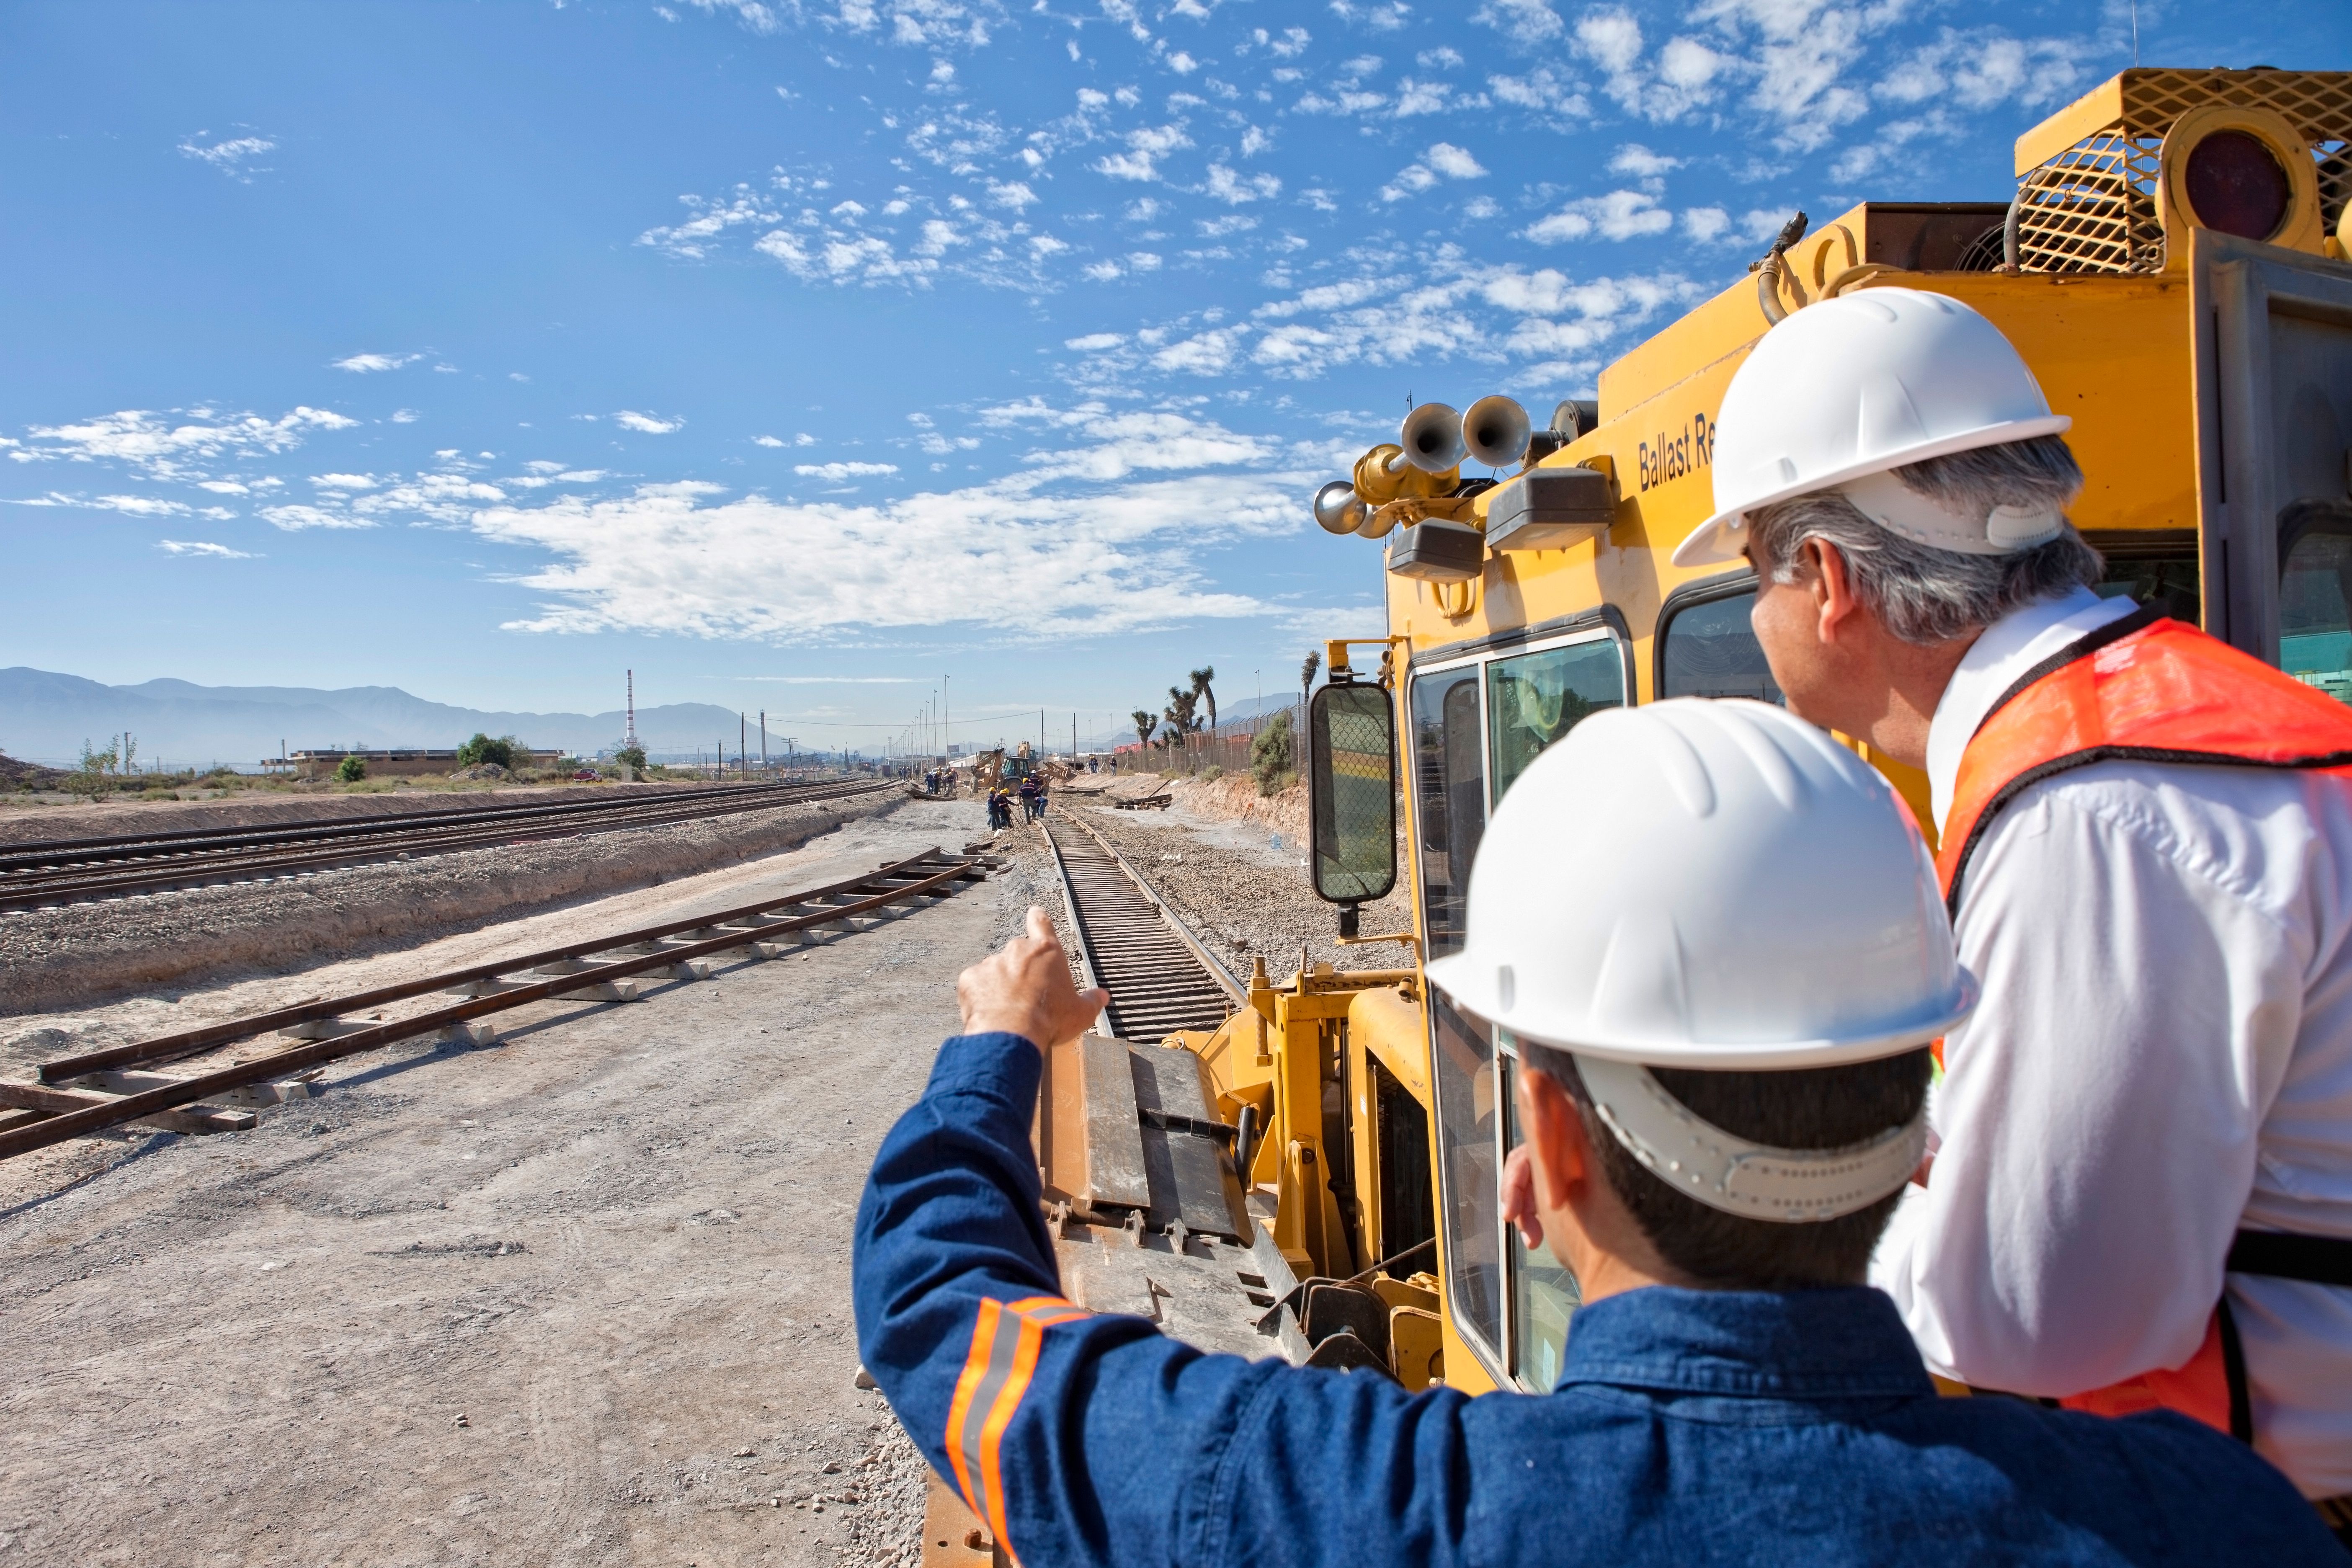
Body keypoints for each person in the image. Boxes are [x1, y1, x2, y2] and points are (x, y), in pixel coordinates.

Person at [854, 700, 2339, 1567]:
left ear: (1548, 1153)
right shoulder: (2211, 1520)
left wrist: (999, 1043)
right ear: (1923, 1133)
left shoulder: (1352, 1501)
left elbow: (940, 1322)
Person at [1671, 286, 2352, 1526]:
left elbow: (2034, 1315)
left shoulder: (2094, 811)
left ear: (1827, 579)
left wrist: (1755, 1213)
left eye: (1747, 573)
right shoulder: (2157, 719)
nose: (1754, 620)